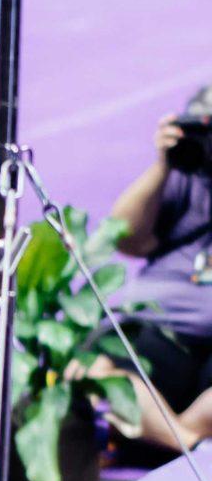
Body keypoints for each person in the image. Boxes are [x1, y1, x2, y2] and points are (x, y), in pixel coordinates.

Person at [76, 89, 212, 452]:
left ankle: (158, 436)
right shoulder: (188, 174)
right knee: (92, 372)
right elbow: (124, 238)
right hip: (162, 328)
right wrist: (163, 165)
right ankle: (186, 442)